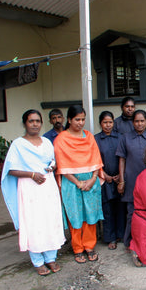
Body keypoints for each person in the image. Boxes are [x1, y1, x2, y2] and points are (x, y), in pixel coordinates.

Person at [1, 109, 65, 276]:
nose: (35, 124)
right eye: (31, 121)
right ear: (25, 123)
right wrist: (31, 174)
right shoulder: (18, 145)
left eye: (37, 121)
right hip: (30, 188)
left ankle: (51, 258)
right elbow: (11, 169)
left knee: (50, 220)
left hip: (47, 186)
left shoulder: (46, 142)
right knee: (34, 223)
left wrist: (52, 166)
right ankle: (37, 261)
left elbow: (53, 161)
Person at [54, 105, 104, 263]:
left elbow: (97, 160)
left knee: (90, 215)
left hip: (91, 181)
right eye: (77, 119)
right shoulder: (61, 139)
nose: (81, 122)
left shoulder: (89, 136)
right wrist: (78, 183)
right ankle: (77, 248)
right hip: (71, 184)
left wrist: (92, 179)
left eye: (83, 119)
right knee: (75, 215)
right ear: (69, 120)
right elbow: (61, 165)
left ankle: (89, 246)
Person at [116, 110, 146, 248]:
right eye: (137, 121)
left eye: (142, 121)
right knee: (132, 212)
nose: (140, 124)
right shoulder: (125, 138)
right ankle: (129, 241)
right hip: (131, 180)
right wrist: (122, 180)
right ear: (132, 123)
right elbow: (122, 159)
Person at [94, 111, 124, 250]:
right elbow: (94, 160)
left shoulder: (120, 137)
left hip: (119, 178)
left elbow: (124, 157)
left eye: (110, 122)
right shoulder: (95, 140)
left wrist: (120, 175)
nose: (108, 125)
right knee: (107, 209)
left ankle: (121, 235)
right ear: (100, 123)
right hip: (103, 179)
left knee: (120, 207)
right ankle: (110, 238)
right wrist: (103, 174)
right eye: (105, 122)